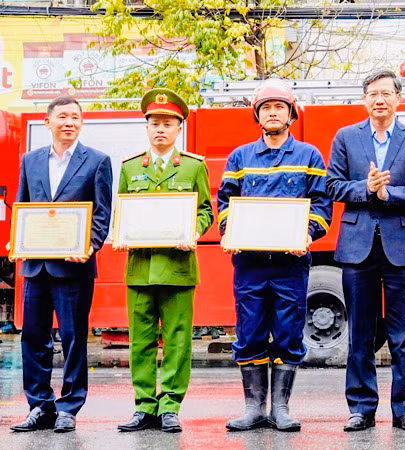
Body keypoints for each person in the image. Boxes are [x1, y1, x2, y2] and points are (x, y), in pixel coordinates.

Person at [218, 79, 332, 432]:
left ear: (291, 114)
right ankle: (254, 409)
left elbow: (321, 204)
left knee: (288, 333)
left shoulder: (309, 156)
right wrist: (229, 232)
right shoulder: (240, 157)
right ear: (257, 115)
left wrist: (307, 234)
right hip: (250, 264)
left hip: (290, 264)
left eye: (279, 107)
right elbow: (225, 201)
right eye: (266, 107)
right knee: (249, 332)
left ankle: (280, 409)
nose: (272, 112)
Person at [326, 69, 405, 432]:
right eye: (372, 93)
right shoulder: (346, 137)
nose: (379, 99)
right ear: (364, 100)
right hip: (357, 248)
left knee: (404, 335)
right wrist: (366, 188)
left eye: (386, 93)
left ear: (399, 98)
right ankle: (361, 408)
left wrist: (390, 194)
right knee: (360, 333)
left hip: (401, 248)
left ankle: (404, 408)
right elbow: (333, 186)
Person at [9, 96, 113, 433]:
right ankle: (39, 406)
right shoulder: (30, 160)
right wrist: (16, 239)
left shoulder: (97, 161)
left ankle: (69, 407)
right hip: (36, 266)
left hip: (74, 266)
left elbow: (102, 213)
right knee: (33, 338)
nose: (69, 122)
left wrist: (90, 246)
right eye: (63, 116)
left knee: (73, 338)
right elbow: (23, 206)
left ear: (81, 123)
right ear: (48, 122)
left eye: (75, 117)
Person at [115, 88, 214, 433]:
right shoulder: (130, 168)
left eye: (168, 124)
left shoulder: (193, 166)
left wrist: (194, 231)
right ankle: (144, 406)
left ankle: (170, 405)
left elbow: (205, 210)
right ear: (146, 128)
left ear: (179, 128)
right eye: (155, 123)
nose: (161, 129)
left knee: (177, 340)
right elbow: (122, 210)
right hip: (140, 268)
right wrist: (119, 233)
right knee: (140, 341)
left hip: (178, 267)